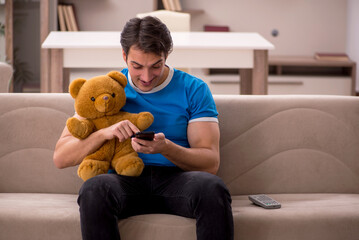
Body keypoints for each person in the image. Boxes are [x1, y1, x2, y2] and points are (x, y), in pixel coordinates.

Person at [53, 16, 234, 240]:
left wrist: (166, 148)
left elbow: (210, 163)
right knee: (94, 189)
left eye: (155, 66)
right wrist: (103, 133)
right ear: (124, 56)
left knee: (211, 187)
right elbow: (60, 157)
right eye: (137, 67)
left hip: (176, 181)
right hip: (122, 180)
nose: (146, 77)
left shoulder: (194, 89)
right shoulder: (105, 89)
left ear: (166, 56)